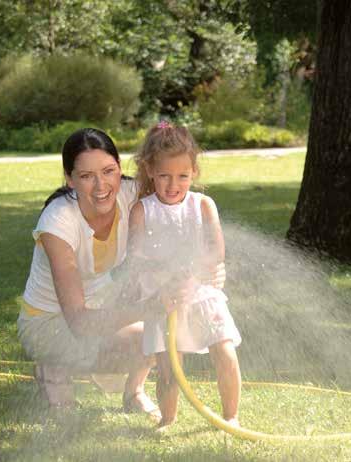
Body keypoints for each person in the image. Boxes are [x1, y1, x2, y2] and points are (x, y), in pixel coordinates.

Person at [17, 128, 226, 420]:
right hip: (50, 322)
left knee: (161, 329)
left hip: (104, 303)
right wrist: (149, 308)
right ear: (70, 179)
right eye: (87, 176)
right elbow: (78, 321)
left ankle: (134, 392)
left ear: (121, 169)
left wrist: (208, 267)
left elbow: (176, 199)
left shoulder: (131, 195)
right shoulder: (58, 222)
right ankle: (54, 367)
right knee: (149, 331)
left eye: (109, 171)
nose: (101, 186)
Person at [127, 122, 242, 429]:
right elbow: (135, 257)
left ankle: (231, 415)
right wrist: (162, 282)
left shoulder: (203, 205)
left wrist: (192, 275)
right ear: (150, 170)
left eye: (183, 176)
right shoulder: (142, 210)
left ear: (194, 172)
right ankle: (168, 418)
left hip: (200, 293)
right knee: (168, 366)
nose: (173, 184)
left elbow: (215, 252)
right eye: (164, 175)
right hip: (162, 300)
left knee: (225, 350)